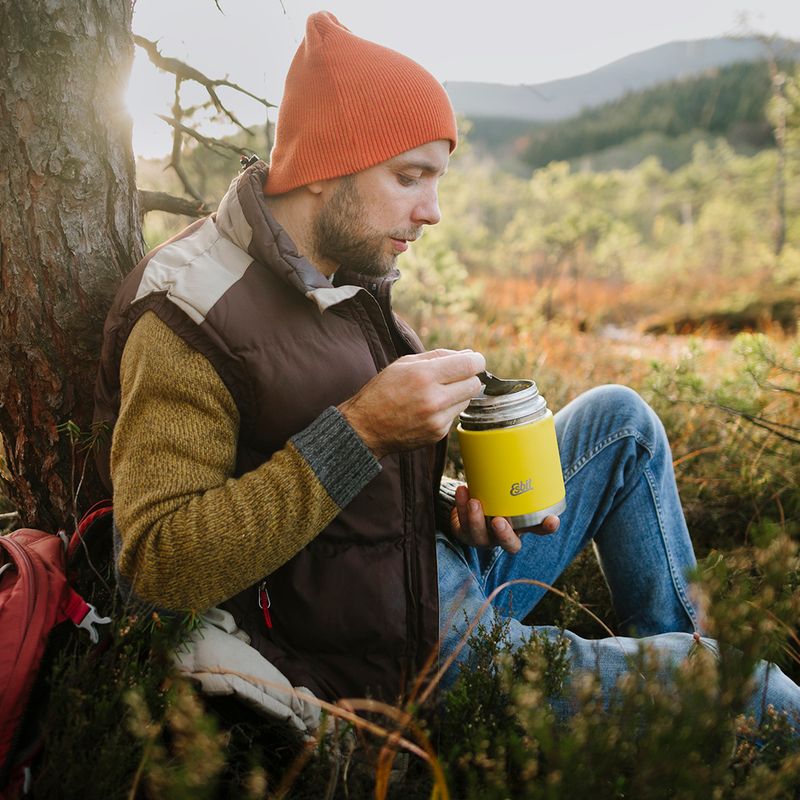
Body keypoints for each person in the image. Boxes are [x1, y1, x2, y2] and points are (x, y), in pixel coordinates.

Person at [94, 11, 800, 722]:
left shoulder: (343, 274)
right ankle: (707, 708)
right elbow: (158, 564)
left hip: (426, 574)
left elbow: (328, 484)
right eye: (410, 178)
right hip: (405, 654)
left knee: (623, 424)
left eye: (437, 180)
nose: (431, 212)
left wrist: (446, 506)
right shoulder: (188, 313)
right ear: (323, 165)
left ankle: (679, 719)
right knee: (752, 690)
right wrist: (363, 431)